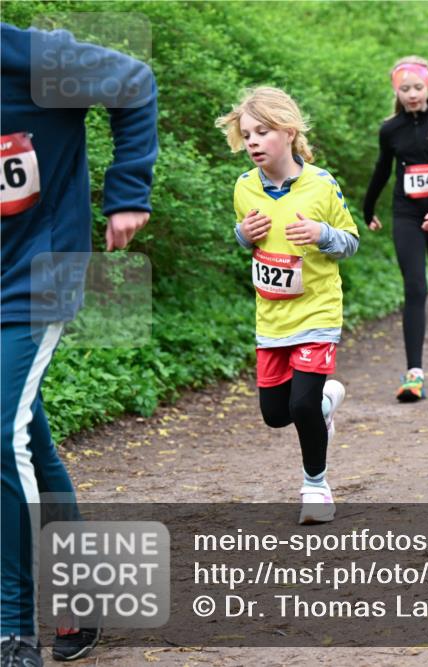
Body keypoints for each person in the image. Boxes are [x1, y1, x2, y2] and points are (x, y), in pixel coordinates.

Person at [2, 22, 158, 665]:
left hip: (37, 273)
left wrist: (127, 192)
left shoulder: (33, 57)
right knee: (26, 437)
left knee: (0, 438)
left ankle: (12, 626)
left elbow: (134, 81)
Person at [216, 87, 359, 526]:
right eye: (247, 134)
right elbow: (245, 240)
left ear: (289, 132)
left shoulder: (321, 183)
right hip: (272, 315)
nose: (254, 141)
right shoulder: (244, 188)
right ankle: (325, 404)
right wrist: (243, 233)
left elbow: (350, 241)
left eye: (263, 132)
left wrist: (321, 234)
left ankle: (315, 487)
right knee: (276, 414)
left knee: (300, 405)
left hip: (317, 311)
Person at [362, 56, 428, 402]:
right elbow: (381, 170)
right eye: (404, 88)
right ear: (396, 90)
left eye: (417, 87)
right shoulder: (390, 129)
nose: (411, 94)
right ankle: (414, 374)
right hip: (406, 214)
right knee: (414, 288)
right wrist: (368, 205)